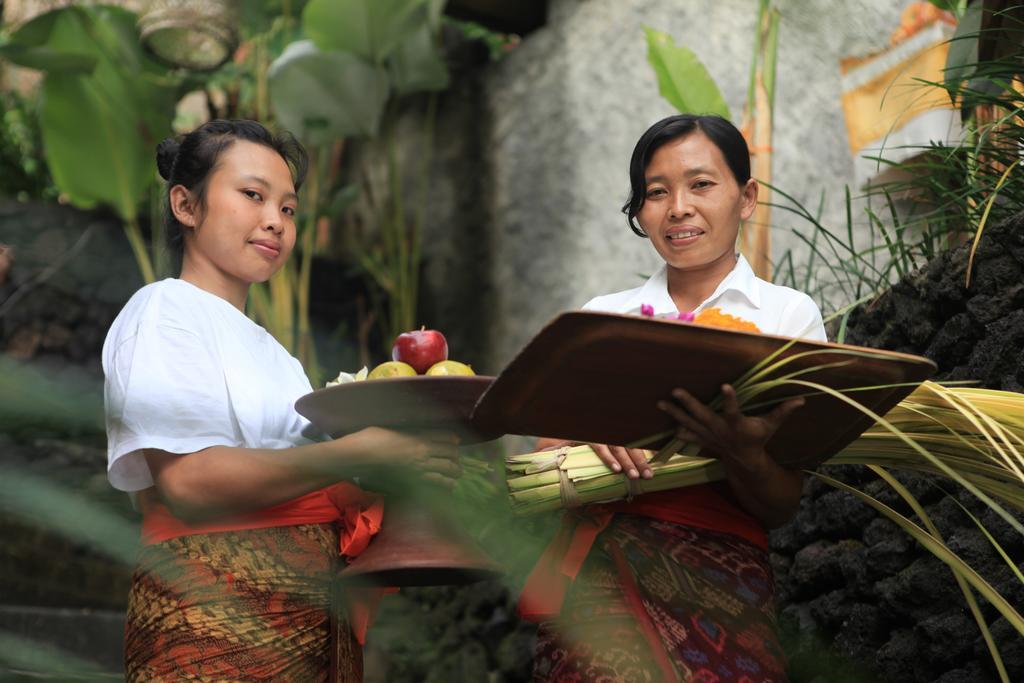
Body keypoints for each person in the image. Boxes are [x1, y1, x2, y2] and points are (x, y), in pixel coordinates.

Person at [102, 119, 460, 681]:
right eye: (252, 195)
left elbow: (297, 476)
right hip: (212, 609)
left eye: (289, 209)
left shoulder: (276, 354)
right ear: (186, 205)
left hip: (307, 608)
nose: (275, 220)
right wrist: (359, 454)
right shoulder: (164, 310)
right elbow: (190, 484)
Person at [522, 114, 827, 682]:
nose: (678, 207)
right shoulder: (600, 319)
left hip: (726, 584)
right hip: (600, 580)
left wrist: (741, 451)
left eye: (701, 184)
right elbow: (544, 463)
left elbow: (783, 503)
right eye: (656, 192)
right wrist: (592, 434)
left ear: (747, 197)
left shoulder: (788, 318)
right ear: (640, 211)